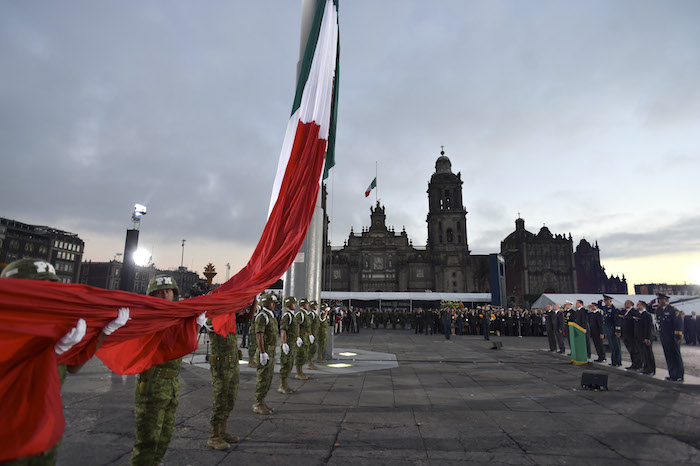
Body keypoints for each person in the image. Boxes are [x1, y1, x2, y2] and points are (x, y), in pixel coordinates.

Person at [1, 259, 129, 466]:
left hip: (45, 434)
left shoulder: (56, 327)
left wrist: (104, 332)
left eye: (51, 288)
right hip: (10, 440)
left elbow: (74, 366)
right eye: (38, 288)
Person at [132, 274, 205, 466]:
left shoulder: (175, 319)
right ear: (152, 296)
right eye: (160, 292)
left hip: (171, 385)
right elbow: (164, 345)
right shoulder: (147, 320)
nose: (165, 296)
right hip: (152, 386)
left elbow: (180, 345)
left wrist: (195, 326)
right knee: (148, 441)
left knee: (165, 436)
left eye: (169, 292)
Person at [206, 296, 254, 450]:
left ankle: (223, 431)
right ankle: (214, 436)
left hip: (232, 364)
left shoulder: (231, 316)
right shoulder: (212, 319)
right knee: (220, 399)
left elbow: (247, 317)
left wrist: (255, 300)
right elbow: (213, 325)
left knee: (230, 398)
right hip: (220, 365)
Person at [253, 293, 278, 414]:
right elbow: (259, 335)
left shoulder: (270, 315)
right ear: (265, 302)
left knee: (268, 378)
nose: (274, 304)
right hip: (265, 351)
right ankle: (258, 404)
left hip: (270, 352)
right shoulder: (262, 316)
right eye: (272, 302)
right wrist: (262, 352)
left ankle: (262, 402)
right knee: (263, 378)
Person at [655, 293, 684, 382]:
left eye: (661, 299)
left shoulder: (673, 310)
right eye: (658, 299)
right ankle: (672, 374)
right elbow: (649, 310)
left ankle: (679, 375)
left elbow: (678, 324)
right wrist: (649, 304)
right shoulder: (659, 310)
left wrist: (678, 336)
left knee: (675, 355)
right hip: (664, 336)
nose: (659, 301)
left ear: (666, 300)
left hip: (672, 337)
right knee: (668, 355)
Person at [277, 296, 301, 395]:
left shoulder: (292, 315)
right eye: (293, 303)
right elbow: (283, 330)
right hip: (288, 343)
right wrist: (284, 343)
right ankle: (282, 385)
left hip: (292, 342)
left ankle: (285, 385)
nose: (295, 305)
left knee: (290, 364)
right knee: (285, 364)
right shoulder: (287, 316)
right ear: (288, 305)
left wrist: (298, 337)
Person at [601, 295, 622, 367]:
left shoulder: (614, 309)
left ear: (610, 301)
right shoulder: (606, 309)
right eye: (604, 301)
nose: (605, 302)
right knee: (612, 347)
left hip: (613, 330)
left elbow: (617, 321)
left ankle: (618, 361)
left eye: (606, 301)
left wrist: (617, 330)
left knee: (616, 346)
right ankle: (614, 361)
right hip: (609, 330)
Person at [621, 300, 641, 370]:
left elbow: (636, 320)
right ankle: (633, 363)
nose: (625, 304)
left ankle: (637, 364)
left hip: (631, 334)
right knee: (631, 350)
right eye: (625, 303)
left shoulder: (634, 312)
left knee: (635, 350)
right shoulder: (625, 312)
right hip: (626, 334)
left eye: (627, 303)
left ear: (632, 304)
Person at [636, 301, 655, 375]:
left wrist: (647, 338)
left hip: (645, 338)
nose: (637, 306)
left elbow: (648, 327)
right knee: (643, 354)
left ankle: (650, 369)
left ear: (643, 306)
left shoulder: (647, 315)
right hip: (640, 337)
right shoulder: (639, 314)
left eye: (639, 305)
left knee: (648, 353)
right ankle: (646, 367)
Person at [307, 300, 320, 370]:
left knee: (313, 349)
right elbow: (309, 325)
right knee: (311, 349)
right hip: (312, 334)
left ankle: (311, 363)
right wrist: (310, 334)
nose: (317, 306)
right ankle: (310, 363)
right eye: (316, 305)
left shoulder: (314, 314)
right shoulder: (311, 315)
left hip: (315, 334)